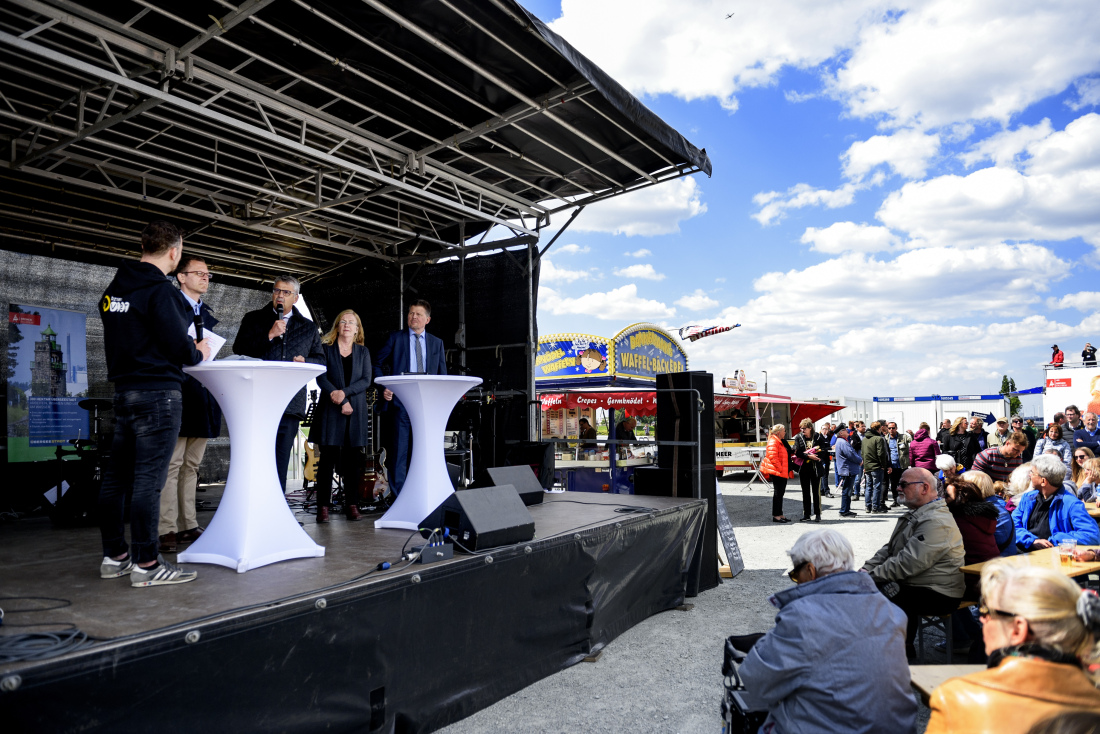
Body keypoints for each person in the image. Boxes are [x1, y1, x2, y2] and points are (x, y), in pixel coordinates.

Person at [98, 221, 211, 587]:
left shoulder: (115, 289)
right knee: (149, 480)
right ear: (175, 252)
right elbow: (182, 350)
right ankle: (147, 564)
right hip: (159, 395)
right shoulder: (160, 292)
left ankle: (115, 556)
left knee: (116, 480)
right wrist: (199, 350)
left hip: (124, 393)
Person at [739, 529, 918, 734]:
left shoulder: (803, 616)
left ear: (810, 570)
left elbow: (756, 681)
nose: (796, 579)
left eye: (796, 574)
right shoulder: (891, 612)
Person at [925, 560, 1100, 733]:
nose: (982, 618)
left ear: (1018, 629)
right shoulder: (1093, 700)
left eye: (987, 611)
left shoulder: (956, 700)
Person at [233, 274, 325, 492]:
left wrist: (306, 361)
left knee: (282, 457)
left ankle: (278, 510)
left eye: (286, 292)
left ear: (296, 297)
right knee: (256, 457)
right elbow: (239, 350)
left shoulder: (308, 327)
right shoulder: (253, 318)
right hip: (258, 399)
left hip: (291, 402)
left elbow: (321, 360)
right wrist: (269, 335)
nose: (280, 295)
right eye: (277, 291)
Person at [862, 467, 965, 659]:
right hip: (920, 583)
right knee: (875, 587)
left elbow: (907, 564)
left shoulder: (936, 520)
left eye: (903, 484)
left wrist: (867, 577)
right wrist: (867, 568)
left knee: (871, 594)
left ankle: (892, 653)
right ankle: (899, 648)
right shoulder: (919, 512)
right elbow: (890, 547)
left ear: (924, 488)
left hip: (939, 592)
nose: (898, 488)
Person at [158, 255, 222, 553]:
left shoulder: (205, 312)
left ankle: (188, 524)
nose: (205, 277)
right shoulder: (168, 305)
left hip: (201, 393)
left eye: (208, 274)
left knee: (192, 465)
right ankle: (166, 529)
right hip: (176, 391)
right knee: (172, 464)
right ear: (181, 277)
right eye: (198, 273)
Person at [373, 300, 447, 494]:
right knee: (399, 453)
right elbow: (376, 364)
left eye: (418, 314)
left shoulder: (436, 343)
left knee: (424, 451)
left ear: (428, 319)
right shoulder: (395, 338)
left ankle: (423, 494)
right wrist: (386, 386)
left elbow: (442, 376)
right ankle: (400, 498)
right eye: (411, 313)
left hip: (427, 405)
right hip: (401, 403)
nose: (413, 317)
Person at [313, 310, 373, 523]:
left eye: (352, 322)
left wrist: (344, 394)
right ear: (337, 326)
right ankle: (323, 508)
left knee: (353, 462)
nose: (347, 325)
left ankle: (352, 505)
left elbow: (366, 380)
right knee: (327, 460)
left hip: (355, 411)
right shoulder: (325, 350)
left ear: (357, 329)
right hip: (331, 409)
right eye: (344, 322)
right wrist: (337, 396)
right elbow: (320, 377)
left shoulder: (363, 352)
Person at [1011, 454, 1100, 551]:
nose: (1029, 475)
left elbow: (1092, 535)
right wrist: (1031, 540)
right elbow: (1012, 525)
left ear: (1043, 481)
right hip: (1024, 552)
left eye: (1032, 472)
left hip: (1054, 558)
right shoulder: (1028, 498)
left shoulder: (1071, 504)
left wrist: (1055, 540)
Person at [793, 418, 827, 522]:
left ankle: (817, 514)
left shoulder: (817, 436)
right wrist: (808, 456)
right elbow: (797, 452)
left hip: (816, 469)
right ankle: (806, 514)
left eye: (804, 428)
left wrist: (817, 456)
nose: (802, 430)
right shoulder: (799, 437)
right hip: (804, 469)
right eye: (801, 428)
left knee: (816, 492)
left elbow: (824, 449)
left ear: (810, 428)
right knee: (805, 492)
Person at [760, 424, 794, 523]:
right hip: (777, 471)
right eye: (784, 430)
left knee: (781, 493)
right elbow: (773, 457)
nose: (785, 432)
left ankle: (780, 514)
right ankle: (776, 515)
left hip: (781, 471)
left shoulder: (779, 440)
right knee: (778, 493)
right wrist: (780, 468)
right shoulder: (773, 441)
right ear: (778, 432)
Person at [833, 425, 862, 518]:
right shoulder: (842, 442)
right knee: (847, 491)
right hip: (847, 470)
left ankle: (846, 510)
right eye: (845, 430)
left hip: (847, 469)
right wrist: (860, 460)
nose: (847, 431)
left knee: (848, 490)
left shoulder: (842, 441)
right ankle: (844, 511)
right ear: (841, 433)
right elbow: (850, 454)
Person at [861, 420, 890, 513]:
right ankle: (875, 507)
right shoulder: (879, 439)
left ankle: (867, 506)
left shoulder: (865, 439)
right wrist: (883, 465)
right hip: (877, 466)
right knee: (877, 487)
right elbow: (881, 453)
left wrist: (865, 465)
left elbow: (863, 453)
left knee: (868, 486)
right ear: (879, 429)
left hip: (868, 466)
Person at [885, 421, 911, 507]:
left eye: (893, 428)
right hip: (892, 466)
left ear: (896, 428)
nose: (891, 430)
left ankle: (906, 500)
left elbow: (913, 440)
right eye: (889, 428)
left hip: (902, 464)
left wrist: (912, 434)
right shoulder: (885, 439)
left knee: (904, 483)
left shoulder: (903, 437)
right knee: (893, 484)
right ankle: (896, 500)